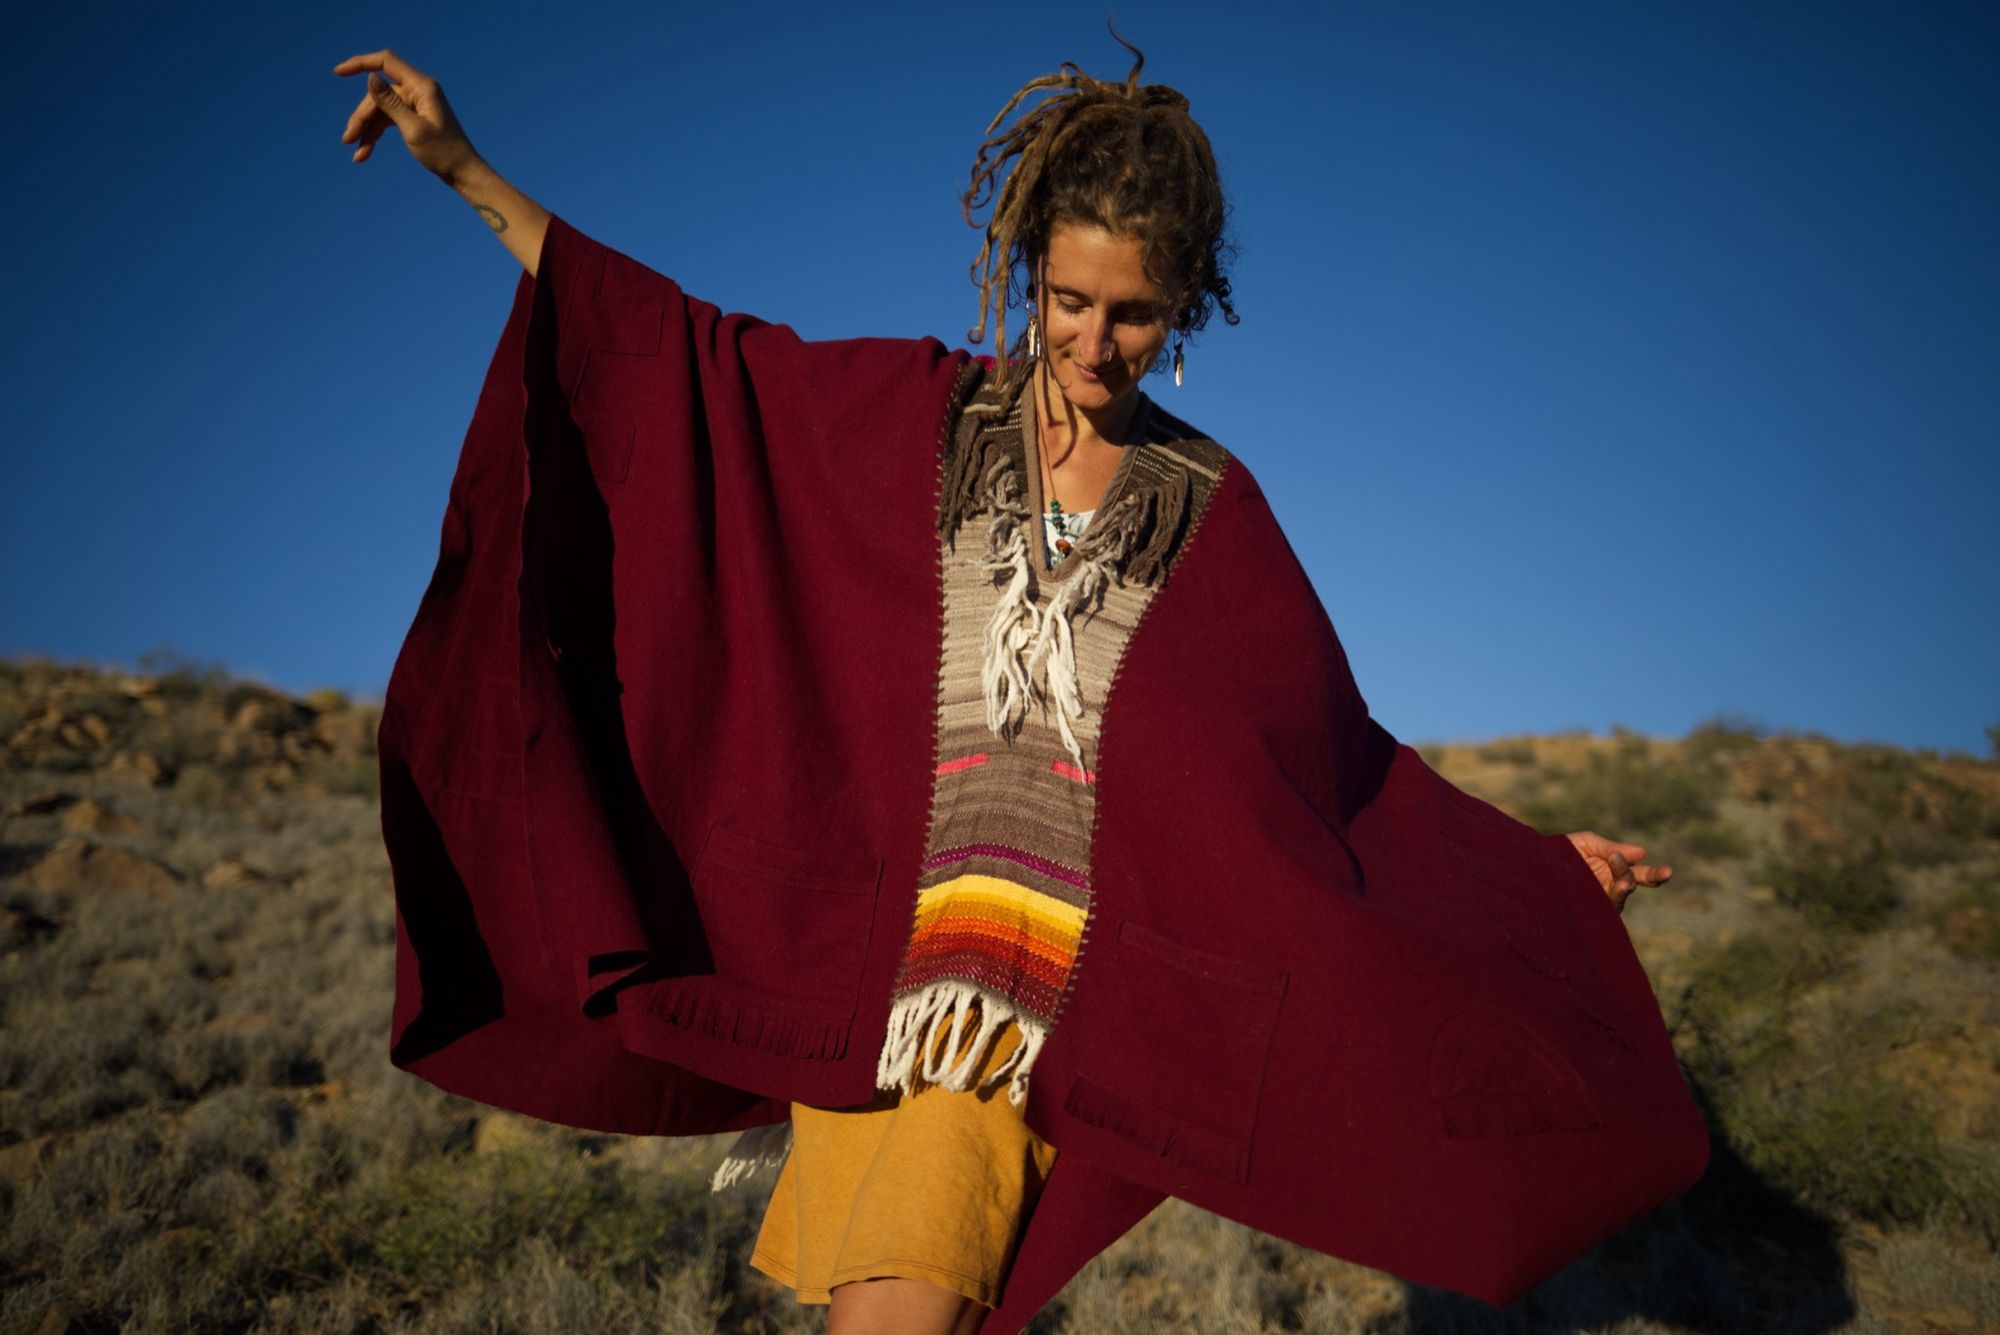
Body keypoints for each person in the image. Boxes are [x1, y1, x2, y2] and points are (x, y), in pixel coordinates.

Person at [337, 35, 1685, 1335]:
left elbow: (1338, 772)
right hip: (881, 998)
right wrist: (464, 168)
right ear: (1027, 274)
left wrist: (1536, 880)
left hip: (1024, 1029)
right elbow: (686, 361)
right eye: (1070, 300)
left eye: (1137, 312)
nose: (1096, 343)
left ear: (1191, 302)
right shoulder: (924, 424)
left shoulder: (1214, 514)